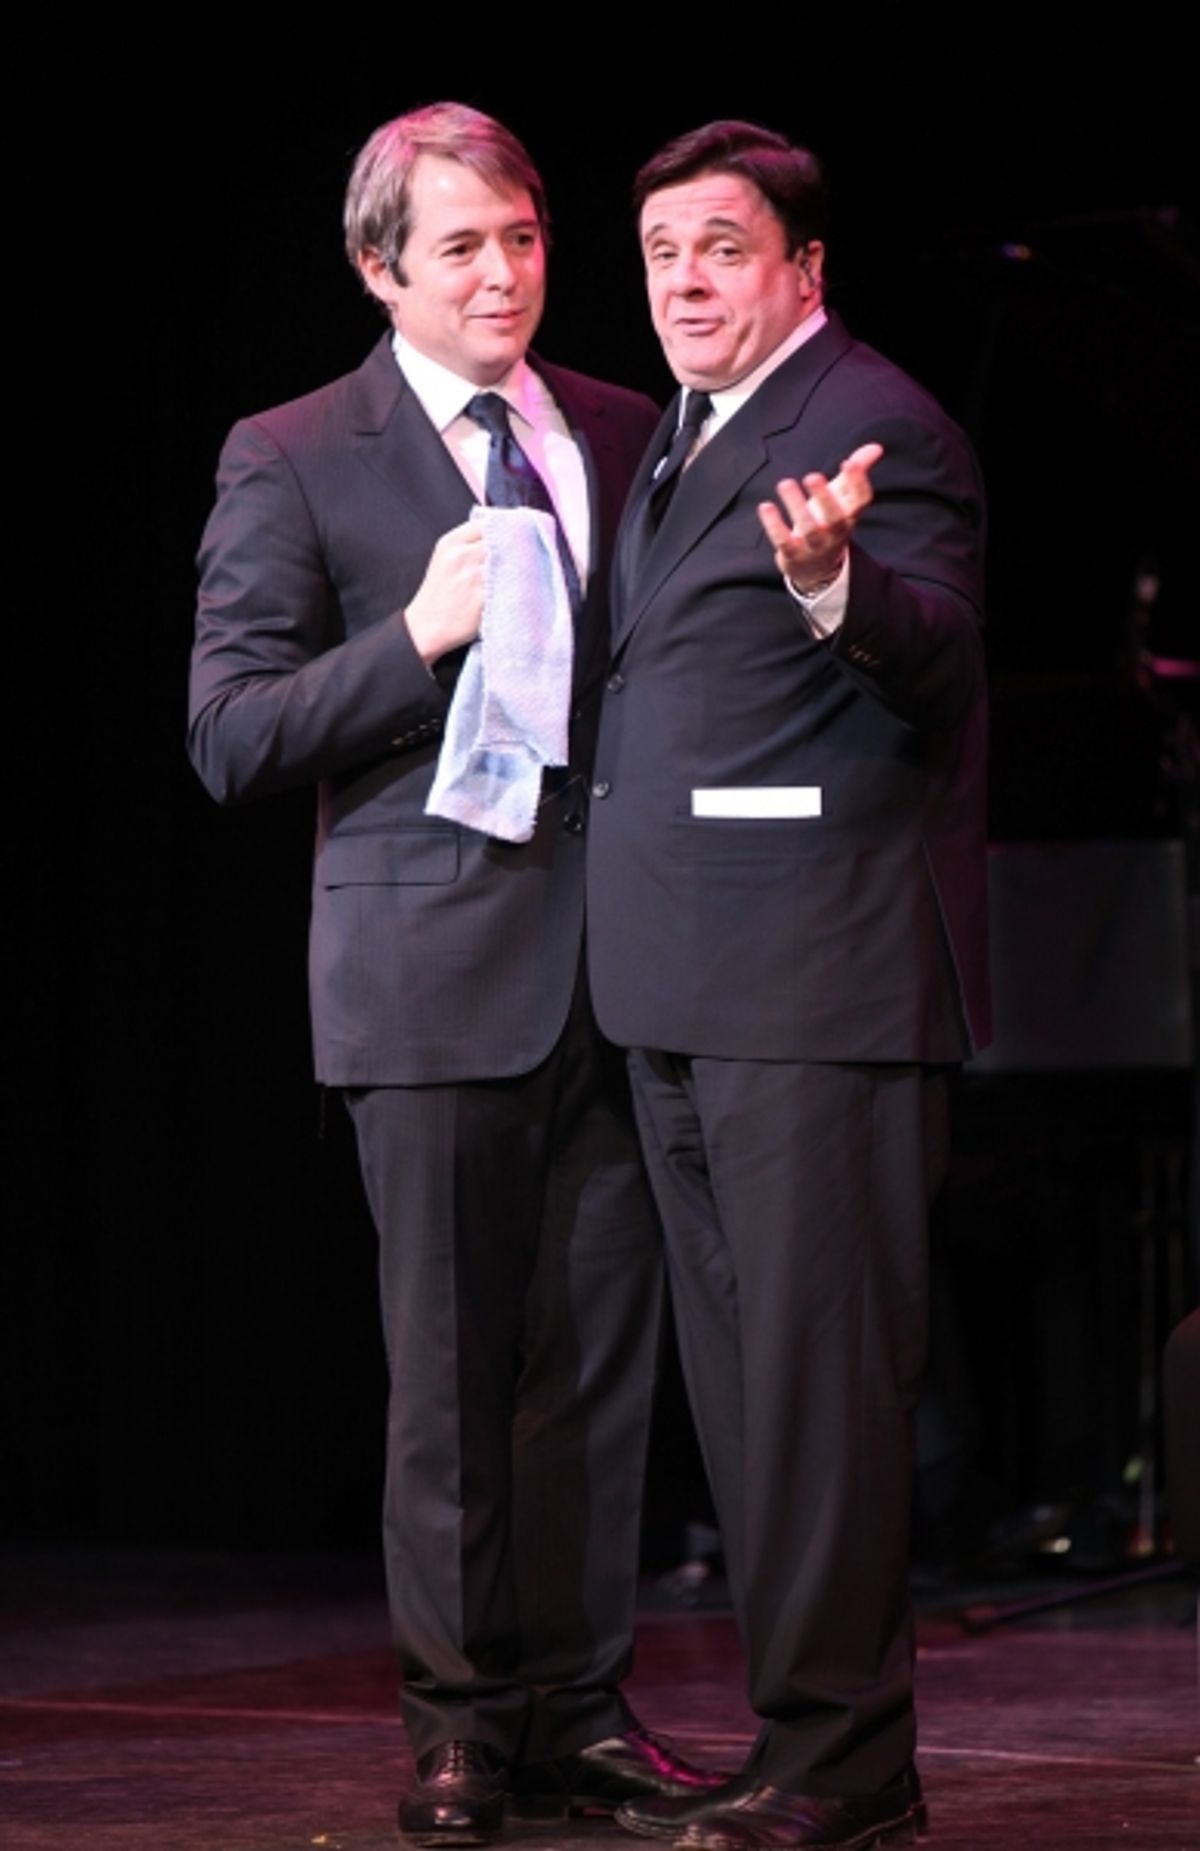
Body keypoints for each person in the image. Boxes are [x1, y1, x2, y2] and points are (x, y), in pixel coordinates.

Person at [188, 102, 720, 1847]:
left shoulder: (631, 430)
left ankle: (578, 1706)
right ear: (378, 269)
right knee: (451, 1372)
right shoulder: (297, 450)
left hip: (623, 974)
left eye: (524, 241)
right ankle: (456, 1726)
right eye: (463, 249)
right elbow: (230, 734)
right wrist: (413, 636)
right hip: (427, 974)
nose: (504, 278)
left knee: (595, 1373)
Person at [585, 121, 990, 1850]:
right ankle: (806, 1744)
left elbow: (941, 644)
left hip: (816, 987)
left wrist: (839, 588)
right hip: (678, 984)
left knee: (819, 1391)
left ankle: (843, 1763)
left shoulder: (877, 425)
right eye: (664, 249)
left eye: (723, 249)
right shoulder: (679, 435)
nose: (685, 281)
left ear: (804, 271)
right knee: (751, 1394)